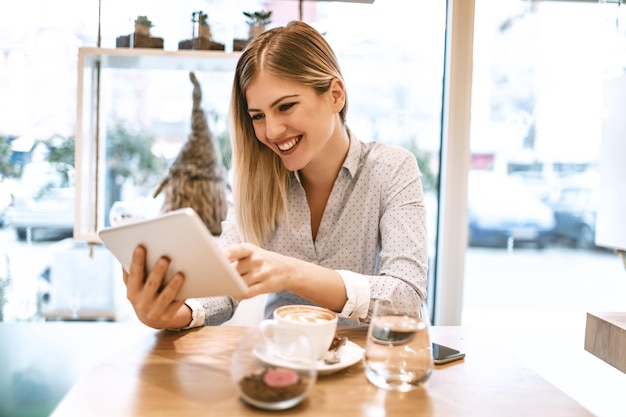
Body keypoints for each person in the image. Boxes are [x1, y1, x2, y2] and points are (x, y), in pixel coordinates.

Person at [123, 20, 428, 330]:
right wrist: (179, 312)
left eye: (285, 106)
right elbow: (224, 282)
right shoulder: (259, 179)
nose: (270, 131)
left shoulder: (392, 169)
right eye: (258, 116)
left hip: (364, 365)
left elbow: (407, 298)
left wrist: (291, 272)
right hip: (280, 362)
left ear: (335, 95)